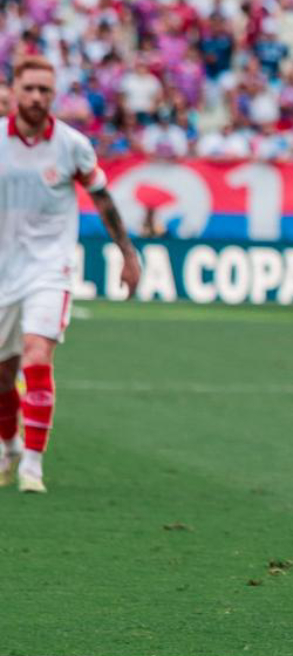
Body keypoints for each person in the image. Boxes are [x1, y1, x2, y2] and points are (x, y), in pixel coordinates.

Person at [0, 56, 141, 493]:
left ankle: (33, 469)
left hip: (50, 267)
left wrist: (128, 254)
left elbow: (102, 199)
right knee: (3, 374)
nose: (38, 97)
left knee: (38, 354)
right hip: (4, 271)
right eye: (30, 89)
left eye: (45, 90)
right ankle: (10, 447)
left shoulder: (72, 145)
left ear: (53, 94)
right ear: (15, 91)